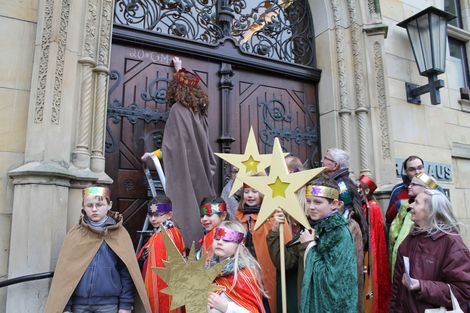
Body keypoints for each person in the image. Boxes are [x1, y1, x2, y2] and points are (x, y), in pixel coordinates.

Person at [142, 56, 216, 247]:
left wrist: (153, 157)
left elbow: (172, 146)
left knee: (186, 205)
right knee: (200, 204)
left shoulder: (178, 110)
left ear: (176, 90)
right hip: (202, 167)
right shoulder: (200, 112)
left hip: (185, 168)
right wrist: (179, 70)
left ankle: (185, 245)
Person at [44, 186, 151, 313]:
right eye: (89, 205)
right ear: (83, 206)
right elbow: (65, 275)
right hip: (79, 305)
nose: (94, 209)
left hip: (109, 305)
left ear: (109, 205)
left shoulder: (119, 234)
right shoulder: (75, 235)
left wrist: (125, 304)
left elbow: (126, 272)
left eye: (99, 205)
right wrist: (65, 306)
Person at [267, 175, 358, 313]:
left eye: (317, 202)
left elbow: (333, 282)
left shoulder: (340, 233)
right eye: (308, 201)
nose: (311, 207)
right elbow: (285, 263)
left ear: (335, 204)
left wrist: (309, 246)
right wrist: (275, 231)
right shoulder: (309, 227)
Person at [389, 189, 470, 312]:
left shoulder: (452, 243)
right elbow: (397, 288)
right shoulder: (409, 240)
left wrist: (422, 286)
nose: (410, 205)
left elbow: (463, 290)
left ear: (430, 210)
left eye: (416, 202)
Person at [235, 177, 292, 313]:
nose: (250, 195)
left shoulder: (273, 217)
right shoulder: (238, 217)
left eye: (255, 191)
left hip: (266, 272)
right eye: (247, 191)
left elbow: (286, 246)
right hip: (245, 272)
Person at [321, 148, 366, 312]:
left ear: (335, 165)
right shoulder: (334, 181)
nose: (321, 161)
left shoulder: (341, 185)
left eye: (325, 159)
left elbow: (345, 211)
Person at [136, 197, 185, 313]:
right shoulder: (170, 231)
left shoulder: (165, 235)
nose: (153, 219)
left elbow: (158, 271)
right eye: (150, 215)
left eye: (158, 215)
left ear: (169, 215)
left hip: (162, 291)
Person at [207, 221, 267, 313]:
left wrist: (226, 307)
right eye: (217, 238)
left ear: (239, 245)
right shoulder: (207, 270)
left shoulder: (245, 275)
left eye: (227, 240)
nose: (220, 242)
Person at [388, 173, 441, 277]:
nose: (409, 186)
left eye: (414, 184)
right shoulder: (404, 207)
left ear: (426, 188)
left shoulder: (434, 214)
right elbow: (393, 234)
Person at [358, 175, 391, 313]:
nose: (359, 189)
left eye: (361, 187)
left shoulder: (373, 208)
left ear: (367, 190)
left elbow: (373, 233)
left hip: (371, 249)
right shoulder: (366, 205)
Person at [385, 155, 424, 227]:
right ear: (406, 172)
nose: (417, 172)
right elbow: (389, 218)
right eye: (412, 169)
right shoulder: (398, 190)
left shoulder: (435, 188)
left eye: (420, 168)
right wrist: (400, 205)